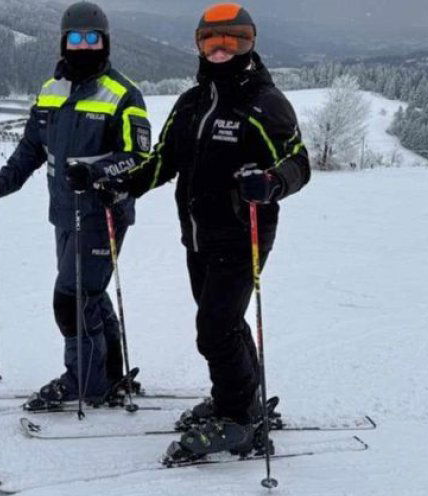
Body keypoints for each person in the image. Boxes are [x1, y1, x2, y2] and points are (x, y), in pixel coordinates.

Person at [78, 2, 310, 457]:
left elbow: (298, 161)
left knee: (214, 328)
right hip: (197, 236)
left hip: (244, 234)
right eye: (212, 41)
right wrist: (125, 185)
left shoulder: (265, 103)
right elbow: (164, 160)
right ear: (199, 46)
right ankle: (245, 399)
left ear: (250, 43)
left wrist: (272, 183)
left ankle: (238, 417)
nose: (221, 51)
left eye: (233, 41)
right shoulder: (192, 102)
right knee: (223, 321)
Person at [0, 1, 152, 409]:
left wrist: (97, 173)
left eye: (93, 39)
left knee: (71, 298)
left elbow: (138, 155)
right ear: (64, 42)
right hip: (63, 213)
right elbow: (32, 148)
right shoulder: (51, 90)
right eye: (76, 38)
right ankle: (108, 373)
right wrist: (1, 183)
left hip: (103, 212)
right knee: (89, 294)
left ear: (104, 43)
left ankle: (84, 382)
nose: (84, 46)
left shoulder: (124, 94)